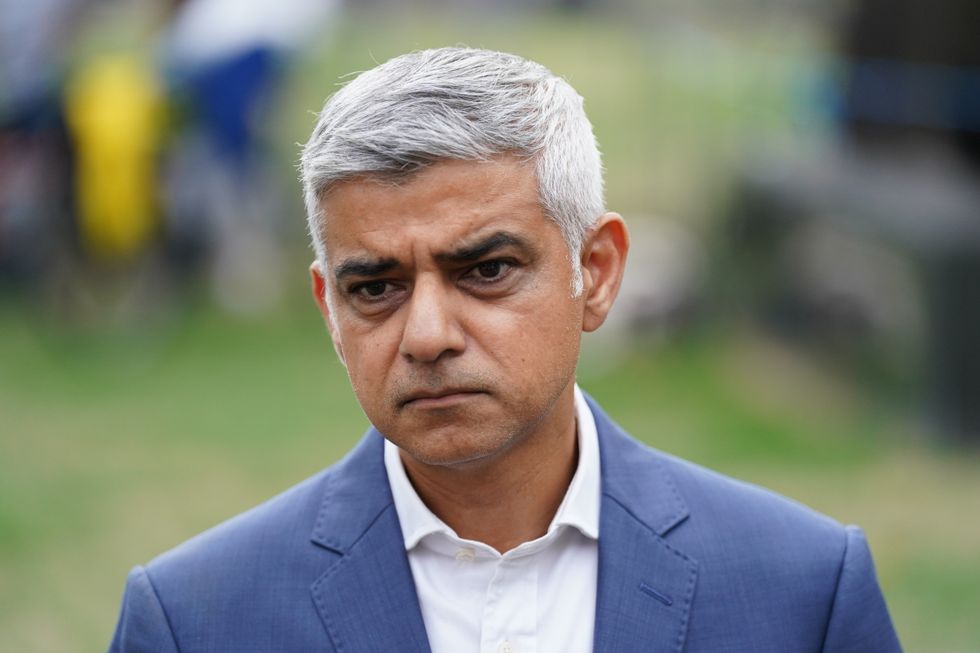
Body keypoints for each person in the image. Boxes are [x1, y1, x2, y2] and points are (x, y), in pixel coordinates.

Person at [109, 47, 902, 652]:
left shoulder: (801, 592)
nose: (427, 334)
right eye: (375, 287)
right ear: (328, 307)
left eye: (486, 270)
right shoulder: (197, 619)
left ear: (594, 273)